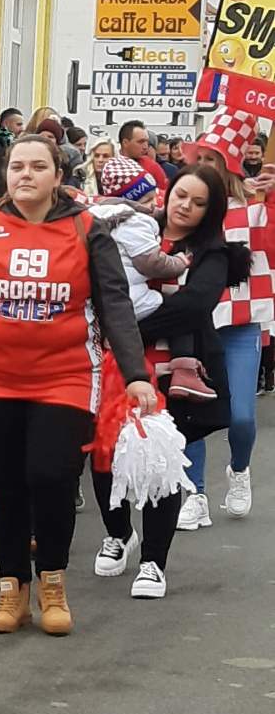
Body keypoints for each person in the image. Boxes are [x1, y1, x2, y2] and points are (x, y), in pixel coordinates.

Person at [0, 134, 155, 636]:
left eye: (39, 166)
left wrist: (139, 376)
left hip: (66, 378)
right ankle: (11, 589)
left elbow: (115, 306)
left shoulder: (86, 229)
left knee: (52, 476)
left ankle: (52, 584)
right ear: (6, 174)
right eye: (17, 167)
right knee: (8, 484)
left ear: (58, 176)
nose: (26, 175)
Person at [92, 166, 244, 597]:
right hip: (112, 363)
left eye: (198, 203)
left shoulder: (211, 252)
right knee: (103, 453)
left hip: (173, 367)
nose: (185, 207)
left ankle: (153, 563)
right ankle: (119, 533)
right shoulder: (128, 223)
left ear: (210, 210)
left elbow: (196, 307)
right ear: (168, 192)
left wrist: (125, 326)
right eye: (181, 196)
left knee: (160, 463)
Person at [175, 111, 272, 528]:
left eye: (213, 160)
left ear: (229, 166)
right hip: (195, 325)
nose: (204, 168)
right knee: (191, 412)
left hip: (242, 322)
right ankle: (194, 492)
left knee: (243, 417)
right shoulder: (184, 209)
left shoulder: (254, 207)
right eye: (200, 159)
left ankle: (239, 468)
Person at [89, 157, 209, 400]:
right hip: (131, 297)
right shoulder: (135, 221)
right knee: (178, 308)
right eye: (146, 199)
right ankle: (182, 367)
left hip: (98, 299)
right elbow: (151, 263)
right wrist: (179, 263)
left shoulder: (93, 217)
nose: (153, 203)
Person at [118, 120, 169, 192]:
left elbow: (164, 195)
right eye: (141, 142)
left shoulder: (152, 166)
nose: (145, 147)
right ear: (125, 143)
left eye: (147, 141)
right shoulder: (108, 164)